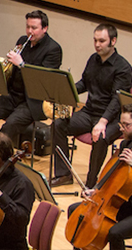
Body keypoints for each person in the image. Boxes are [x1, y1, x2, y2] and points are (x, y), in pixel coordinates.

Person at [51, 23, 132, 187]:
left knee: (100, 138)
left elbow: (117, 101)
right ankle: (64, 174)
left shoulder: (123, 68)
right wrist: (66, 91)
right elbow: (84, 83)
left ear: (113, 41)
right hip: (89, 112)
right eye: (95, 40)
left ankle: (91, 183)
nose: (97, 45)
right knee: (57, 125)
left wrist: (102, 122)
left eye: (101, 41)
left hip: (113, 117)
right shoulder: (93, 59)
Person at [0, 10, 63, 141]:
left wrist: (22, 64)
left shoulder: (53, 49)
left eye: (34, 28)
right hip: (13, 95)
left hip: (32, 101)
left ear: (45, 28)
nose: (30, 31)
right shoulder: (23, 41)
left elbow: (43, 79)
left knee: (9, 126)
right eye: (28, 27)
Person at [66, 103, 132, 250]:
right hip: (117, 205)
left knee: (115, 232)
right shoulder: (125, 145)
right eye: (121, 123)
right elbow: (114, 178)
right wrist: (96, 191)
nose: (121, 128)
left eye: (126, 125)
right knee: (75, 212)